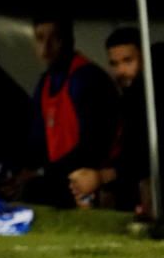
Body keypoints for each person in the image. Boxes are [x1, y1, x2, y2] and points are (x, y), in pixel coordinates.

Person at [7, 15, 120, 208]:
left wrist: (42, 172)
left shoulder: (86, 79)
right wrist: (19, 171)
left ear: (69, 40)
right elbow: (36, 142)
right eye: (40, 38)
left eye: (55, 38)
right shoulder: (46, 83)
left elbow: (92, 148)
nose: (46, 48)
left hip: (90, 180)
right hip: (60, 177)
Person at [67, 28, 158, 213]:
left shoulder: (149, 94)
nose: (121, 71)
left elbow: (145, 156)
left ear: (145, 58)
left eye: (128, 61)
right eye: (114, 64)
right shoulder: (126, 100)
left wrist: (102, 177)